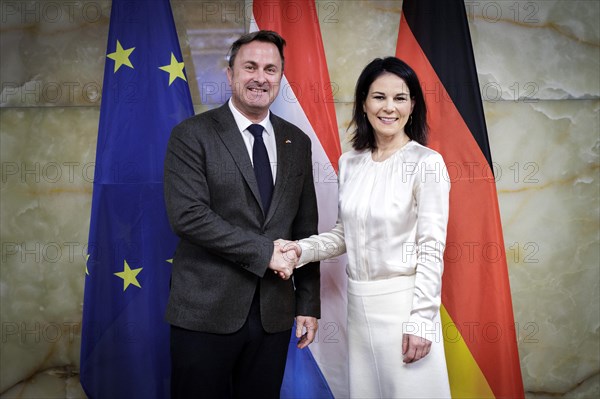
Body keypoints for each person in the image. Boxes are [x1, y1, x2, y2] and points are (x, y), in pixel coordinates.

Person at [163, 30, 321, 398]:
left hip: (274, 315)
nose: (260, 77)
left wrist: (308, 303)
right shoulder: (191, 135)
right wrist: (265, 253)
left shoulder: (297, 141)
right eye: (250, 67)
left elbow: (305, 227)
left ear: (281, 77)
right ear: (230, 72)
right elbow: (188, 215)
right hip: (204, 312)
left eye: (270, 69)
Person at [284, 57, 452, 398]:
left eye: (400, 98)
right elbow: (344, 235)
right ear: (363, 102)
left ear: (413, 104)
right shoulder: (350, 163)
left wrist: (421, 320)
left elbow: (432, 247)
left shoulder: (427, 163)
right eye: (379, 97)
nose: (389, 108)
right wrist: (301, 250)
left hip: (405, 308)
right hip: (359, 310)